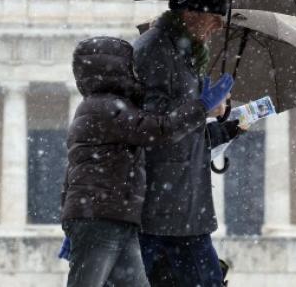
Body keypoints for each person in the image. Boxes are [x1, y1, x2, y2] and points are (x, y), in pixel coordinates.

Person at [60, 36, 233, 287]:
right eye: (131, 66)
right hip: (102, 218)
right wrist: (201, 106)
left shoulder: (105, 107)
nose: (137, 72)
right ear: (116, 70)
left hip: (117, 218)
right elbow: (161, 130)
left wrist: (222, 126)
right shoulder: (108, 108)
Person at [133, 0, 244, 287]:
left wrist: (227, 127)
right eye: (215, 17)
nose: (219, 27)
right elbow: (155, 128)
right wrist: (202, 107)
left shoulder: (180, 53)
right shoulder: (157, 51)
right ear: (190, 13)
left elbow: (184, 136)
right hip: (167, 209)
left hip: (178, 206)